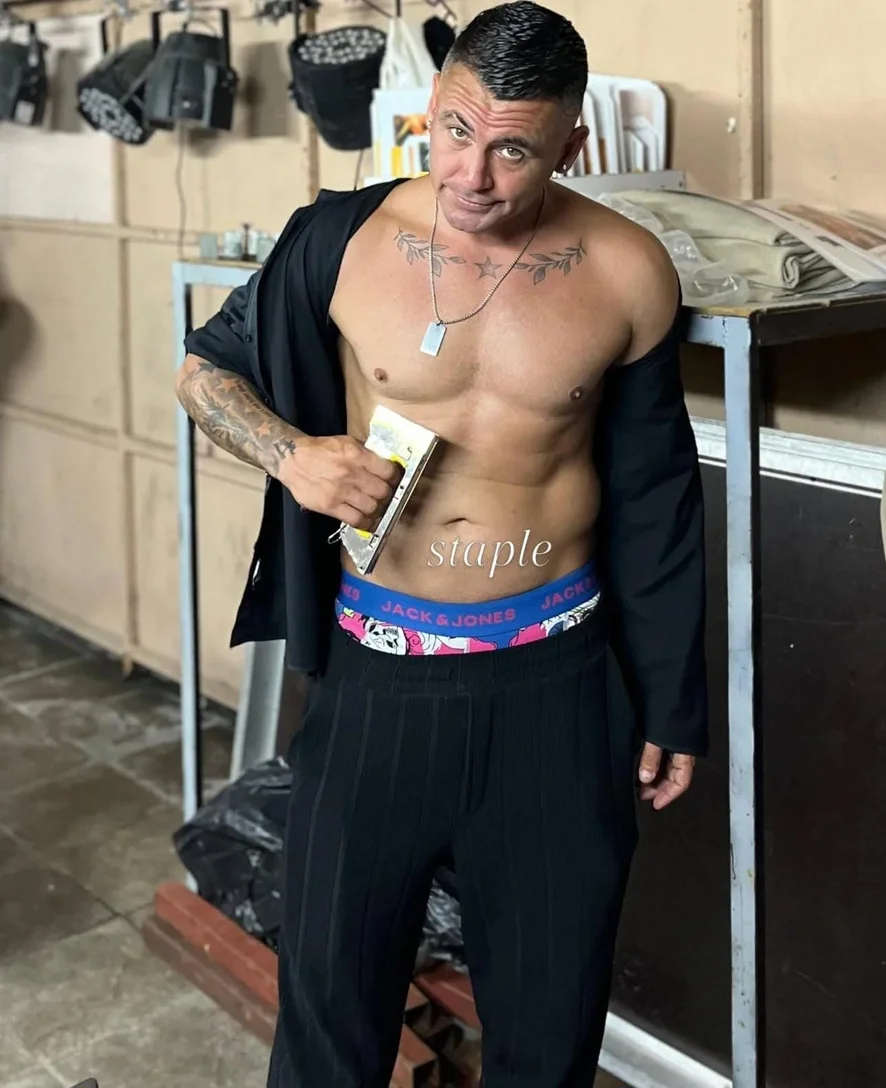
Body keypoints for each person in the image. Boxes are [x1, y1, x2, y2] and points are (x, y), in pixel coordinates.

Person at [175, 2, 708, 1085]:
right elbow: (201, 371)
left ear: (571, 145)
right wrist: (292, 455)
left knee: (549, 1028)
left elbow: (656, 500)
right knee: (328, 1019)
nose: (472, 173)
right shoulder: (339, 239)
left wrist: (671, 703)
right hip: (379, 677)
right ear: (432, 107)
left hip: (557, 689)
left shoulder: (628, 271)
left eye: (513, 149)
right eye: (455, 130)